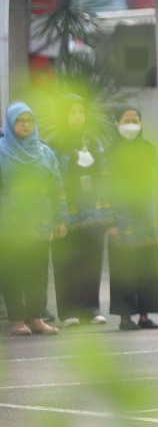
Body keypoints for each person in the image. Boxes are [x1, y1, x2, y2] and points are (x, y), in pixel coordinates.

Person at [1, 102, 67, 336]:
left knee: (38, 272)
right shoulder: (1, 151)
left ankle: (37, 318)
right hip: (9, 225)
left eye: (30, 120)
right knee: (12, 272)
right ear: (11, 123)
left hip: (40, 223)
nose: (26, 125)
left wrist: (61, 219)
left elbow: (56, 187)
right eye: (20, 121)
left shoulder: (44, 153)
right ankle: (18, 320)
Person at [50, 95, 112, 326]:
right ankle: (68, 311)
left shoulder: (94, 142)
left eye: (81, 112)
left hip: (93, 213)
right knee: (67, 262)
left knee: (91, 261)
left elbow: (105, 175)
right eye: (72, 112)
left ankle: (90, 307)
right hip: (67, 214)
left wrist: (107, 209)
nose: (77, 117)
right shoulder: (54, 144)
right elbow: (52, 179)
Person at [106, 107, 158, 331]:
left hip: (147, 218)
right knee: (124, 270)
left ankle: (144, 315)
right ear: (117, 123)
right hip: (121, 219)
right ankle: (125, 318)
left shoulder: (149, 149)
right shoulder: (111, 153)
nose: (131, 124)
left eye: (135, 119)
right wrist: (110, 222)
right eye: (126, 119)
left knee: (148, 269)